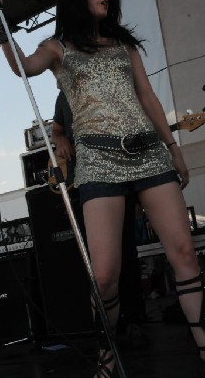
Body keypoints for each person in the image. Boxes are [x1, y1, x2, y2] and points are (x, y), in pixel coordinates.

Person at [0, 0, 205, 378]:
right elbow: (22, 67)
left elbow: (148, 98)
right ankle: (107, 353)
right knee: (104, 275)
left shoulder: (125, 46)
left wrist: (174, 150)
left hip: (149, 154)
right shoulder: (57, 48)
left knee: (183, 252)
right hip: (99, 161)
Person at [52, 90, 147, 352]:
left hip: (117, 179)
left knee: (125, 253)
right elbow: (57, 129)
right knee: (94, 261)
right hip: (84, 184)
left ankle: (135, 321)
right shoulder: (64, 95)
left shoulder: (104, 83)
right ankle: (105, 329)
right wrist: (60, 140)